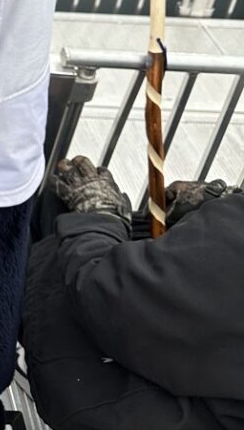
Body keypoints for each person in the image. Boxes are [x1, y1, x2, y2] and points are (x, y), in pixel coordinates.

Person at [22, 156, 244, 429]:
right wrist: (220, 201)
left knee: (58, 226)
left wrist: (99, 214)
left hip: (154, 413)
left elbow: (105, 296)